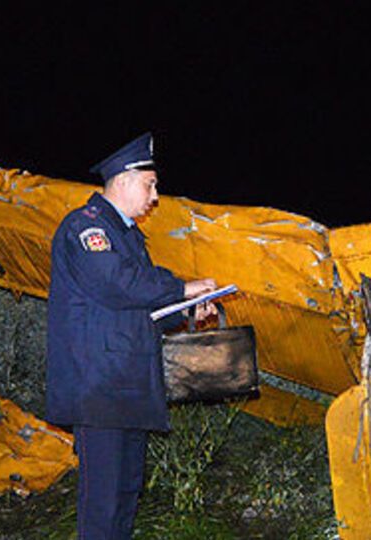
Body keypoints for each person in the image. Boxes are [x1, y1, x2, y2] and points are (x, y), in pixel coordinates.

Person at [45, 132, 216, 539]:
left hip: (128, 387)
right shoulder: (85, 229)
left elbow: (143, 310)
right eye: (150, 184)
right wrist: (183, 288)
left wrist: (186, 310)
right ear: (122, 180)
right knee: (102, 505)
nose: (155, 196)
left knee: (125, 496)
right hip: (100, 389)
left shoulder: (128, 238)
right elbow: (117, 284)